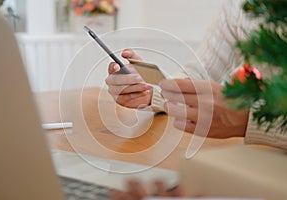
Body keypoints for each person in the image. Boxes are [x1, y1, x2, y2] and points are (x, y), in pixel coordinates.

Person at [105, 0, 287, 198]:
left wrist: (248, 120)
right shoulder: (238, 6)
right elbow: (202, 73)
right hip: (263, 166)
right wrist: (152, 89)